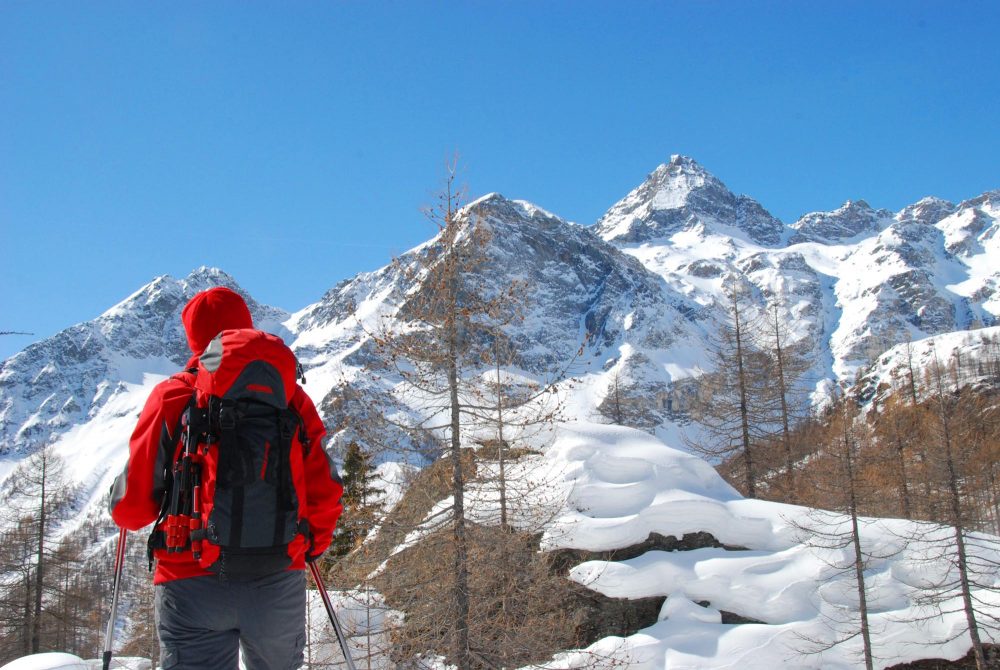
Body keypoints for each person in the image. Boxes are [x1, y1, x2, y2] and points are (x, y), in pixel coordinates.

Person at [109, 286, 343, 670]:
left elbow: (133, 509)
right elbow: (325, 489)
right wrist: (308, 544)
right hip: (277, 576)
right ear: (247, 325)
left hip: (189, 580)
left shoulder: (173, 396)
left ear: (194, 338)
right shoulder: (291, 399)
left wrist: (118, 503)